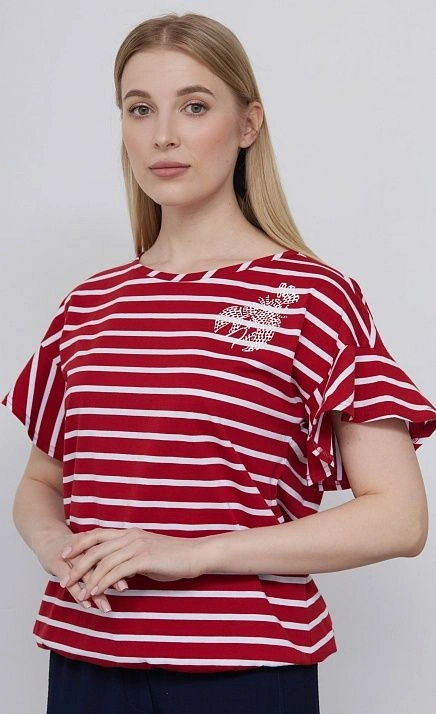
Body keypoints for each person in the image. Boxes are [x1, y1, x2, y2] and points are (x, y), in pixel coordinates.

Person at [2, 11, 436, 714]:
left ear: (248, 124)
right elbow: (40, 483)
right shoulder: (88, 304)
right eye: (139, 109)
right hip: (85, 659)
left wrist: (191, 553)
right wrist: (56, 544)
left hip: (242, 671)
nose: (163, 136)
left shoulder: (311, 297)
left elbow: (399, 517)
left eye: (194, 106)